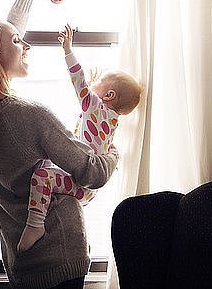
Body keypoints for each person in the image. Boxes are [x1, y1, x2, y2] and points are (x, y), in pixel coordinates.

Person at [0, 0, 119, 289]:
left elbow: (3, 34)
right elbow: (93, 173)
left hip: (23, 265)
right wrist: (114, 152)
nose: (25, 45)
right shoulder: (29, 115)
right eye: (18, 42)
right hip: (60, 258)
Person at [17, 24, 141, 252]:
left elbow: (79, 82)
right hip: (87, 190)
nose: (94, 83)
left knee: (42, 175)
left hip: (81, 183)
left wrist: (68, 50)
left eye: (100, 80)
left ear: (109, 95)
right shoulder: (112, 120)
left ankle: (35, 225)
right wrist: (98, 88)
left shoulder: (96, 107)